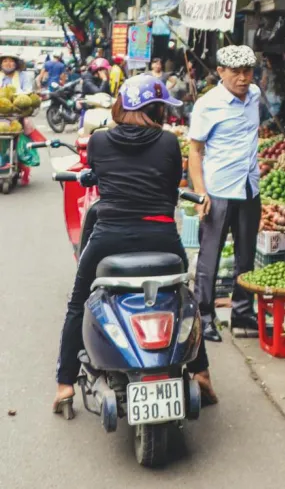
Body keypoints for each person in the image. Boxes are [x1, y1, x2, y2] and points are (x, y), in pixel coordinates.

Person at [52, 75, 216, 414]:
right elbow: (172, 185)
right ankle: (201, 373)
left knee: (77, 302)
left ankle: (65, 385)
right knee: (187, 298)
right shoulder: (169, 143)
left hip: (109, 237)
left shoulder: (98, 141)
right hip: (162, 238)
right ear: (155, 109)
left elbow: (95, 174)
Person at [188, 46, 261, 342]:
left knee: (246, 257)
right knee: (210, 258)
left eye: (248, 71)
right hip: (217, 190)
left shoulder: (255, 95)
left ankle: (243, 313)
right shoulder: (208, 105)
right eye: (236, 72)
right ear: (220, 72)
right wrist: (200, 193)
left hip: (248, 188)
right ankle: (204, 317)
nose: (243, 78)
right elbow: (195, 150)